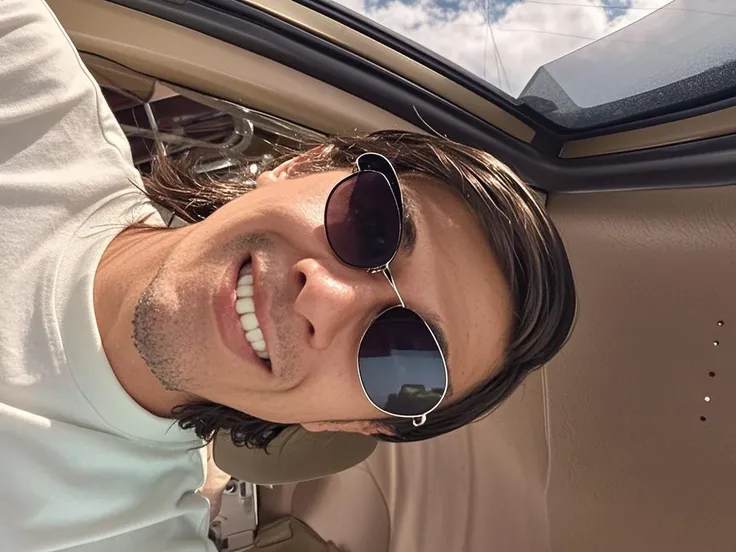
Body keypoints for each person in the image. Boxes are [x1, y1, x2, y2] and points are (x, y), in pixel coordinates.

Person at [0, 1, 576, 551]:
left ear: (346, 422)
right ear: (302, 166)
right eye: (370, 224)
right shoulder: (23, 75)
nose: (322, 298)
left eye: (403, 357)